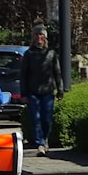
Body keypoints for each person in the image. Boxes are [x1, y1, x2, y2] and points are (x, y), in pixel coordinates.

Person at [20, 23, 63, 156]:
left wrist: (60, 89)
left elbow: (57, 72)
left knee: (47, 118)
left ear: (45, 37)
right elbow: (23, 75)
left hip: (47, 91)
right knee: (36, 118)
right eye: (37, 35)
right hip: (33, 92)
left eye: (41, 35)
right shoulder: (28, 54)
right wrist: (23, 93)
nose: (39, 37)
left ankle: (45, 138)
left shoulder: (51, 53)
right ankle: (40, 143)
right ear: (33, 37)